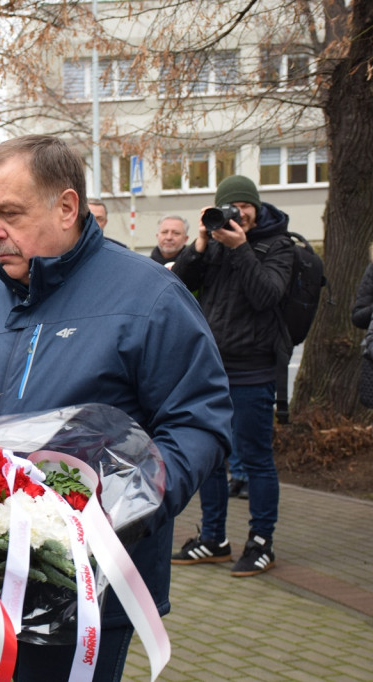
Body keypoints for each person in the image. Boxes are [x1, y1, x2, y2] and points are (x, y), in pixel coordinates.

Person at [0, 135, 233, 680]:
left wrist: (118, 511)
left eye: (10, 212)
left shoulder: (149, 297)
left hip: (98, 578)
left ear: (67, 206)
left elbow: (199, 422)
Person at [170, 174, 294, 577]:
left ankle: (262, 541)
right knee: (211, 459)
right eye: (230, 207)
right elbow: (180, 284)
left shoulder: (279, 246)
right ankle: (213, 538)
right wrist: (201, 245)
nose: (237, 214)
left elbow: (266, 295)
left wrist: (241, 248)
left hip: (254, 369)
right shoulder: (215, 245)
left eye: (243, 207)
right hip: (213, 368)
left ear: (256, 208)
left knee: (256, 460)